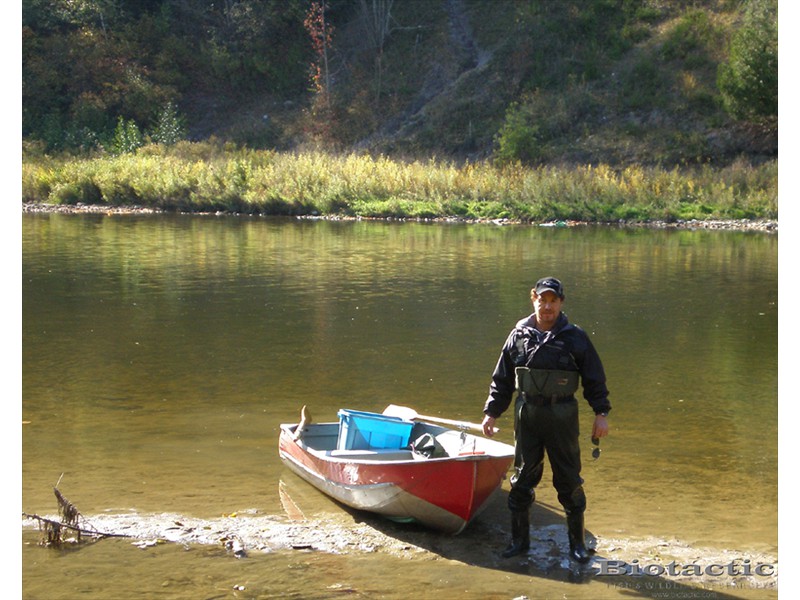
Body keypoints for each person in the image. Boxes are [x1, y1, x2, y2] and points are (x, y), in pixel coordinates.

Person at [481, 277, 610, 563]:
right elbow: (502, 378)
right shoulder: (518, 335)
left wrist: (601, 413)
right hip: (527, 414)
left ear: (561, 303)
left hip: (563, 415)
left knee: (569, 480)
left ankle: (577, 545)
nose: (547, 306)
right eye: (543, 299)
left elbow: (594, 379)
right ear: (533, 299)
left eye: (553, 300)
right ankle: (519, 543)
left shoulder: (575, 337)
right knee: (522, 479)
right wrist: (491, 412)